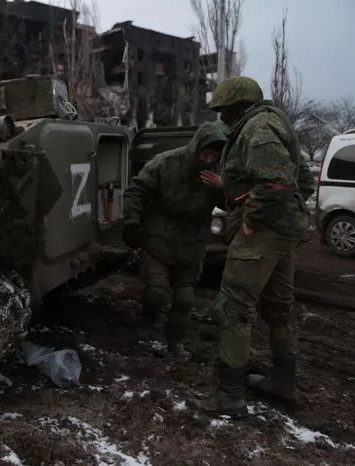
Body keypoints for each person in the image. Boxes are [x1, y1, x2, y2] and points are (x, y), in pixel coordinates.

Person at [197, 76, 315, 418]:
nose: (221, 117)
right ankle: (282, 382)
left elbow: (277, 181)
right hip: (285, 232)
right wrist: (287, 213)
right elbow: (302, 181)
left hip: (265, 232)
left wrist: (253, 218)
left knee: (233, 307)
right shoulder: (277, 123)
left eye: (223, 110)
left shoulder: (257, 128)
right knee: (279, 307)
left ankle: (230, 396)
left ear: (236, 106)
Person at [121, 121, 228, 357]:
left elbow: (232, 202)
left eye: (214, 156)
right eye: (205, 154)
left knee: (184, 298)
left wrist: (222, 187)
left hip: (192, 243)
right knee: (157, 292)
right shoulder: (165, 163)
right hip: (159, 238)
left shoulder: (219, 172)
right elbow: (136, 191)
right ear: (195, 148)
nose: (209, 160)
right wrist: (131, 223)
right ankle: (147, 321)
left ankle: (175, 341)